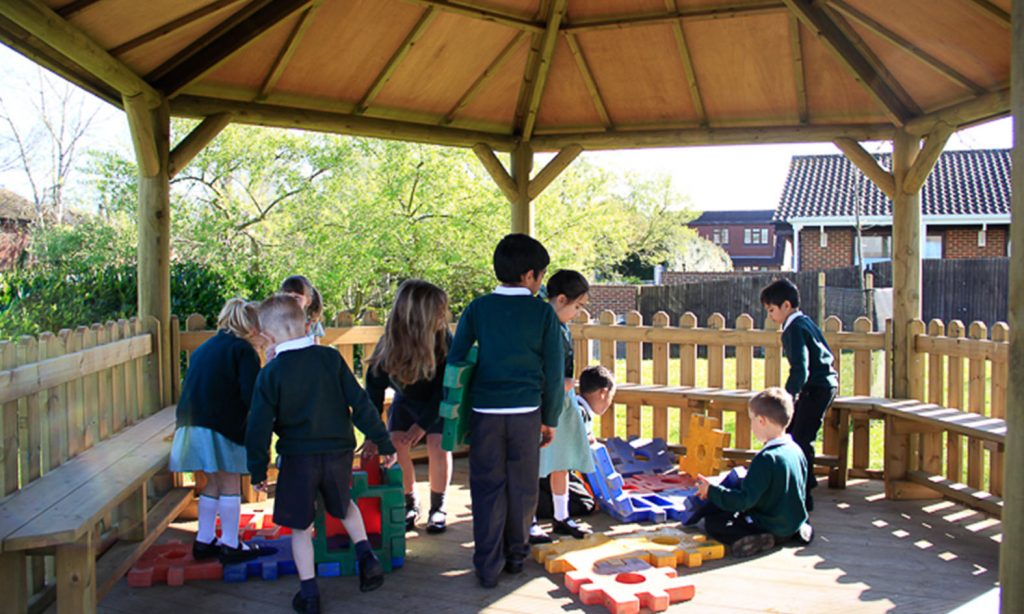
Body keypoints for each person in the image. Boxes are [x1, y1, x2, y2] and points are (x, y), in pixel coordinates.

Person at [245, 295, 397, 612]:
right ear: (307, 325)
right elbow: (361, 403)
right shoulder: (329, 359)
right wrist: (382, 442)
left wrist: (258, 471)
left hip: (298, 458)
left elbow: (257, 427)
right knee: (343, 504)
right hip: (338, 452)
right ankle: (368, 559)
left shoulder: (270, 374)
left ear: (268, 337)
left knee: (301, 527)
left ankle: (310, 593)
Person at [447, 233, 564, 588]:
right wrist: (551, 418)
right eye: (541, 276)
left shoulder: (478, 309)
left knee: (486, 486)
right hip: (528, 412)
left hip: (485, 411)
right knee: (523, 486)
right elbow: (555, 372)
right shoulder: (543, 313)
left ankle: (486, 563)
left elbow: (456, 361)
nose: (541, 283)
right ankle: (516, 554)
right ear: (529, 275)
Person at [169, 298, 273, 564]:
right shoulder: (243, 351)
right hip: (222, 427)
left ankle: (204, 540)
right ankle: (230, 543)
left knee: (212, 482)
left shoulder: (206, 348)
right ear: (251, 328)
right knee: (229, 482)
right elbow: (251, 396)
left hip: (191, 427)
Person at [365, 279, 453, 534]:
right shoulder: (389, 343)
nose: (442, 316)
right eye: (438, 311)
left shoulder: (442, 340)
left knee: (438, 444)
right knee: (394, 443)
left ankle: (438, 505)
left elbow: (443, 390)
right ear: (420, 315)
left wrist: (422, 425)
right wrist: (373, 433)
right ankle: (410, 501)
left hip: (437, 404)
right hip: (406, 402)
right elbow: (373, 391)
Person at [695, 387, 813, 557]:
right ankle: (797, 530)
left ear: (762, 421)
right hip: (792, 521)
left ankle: (756, 537)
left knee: (714, 522)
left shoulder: (766, 458)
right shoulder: (796, 450)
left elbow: (743, 501)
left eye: (751, 420)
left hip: (768, 523)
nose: (751, 426)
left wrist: (711, 491)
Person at [760, 278, 838, 511]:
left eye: (772, 310)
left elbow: (800, 368)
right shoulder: (806, 322)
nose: (770, 316)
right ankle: (801, 483)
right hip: (825, 384)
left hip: (815, 388)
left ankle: (804, 495)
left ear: (786, 305)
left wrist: (788, 397)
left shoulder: (793, 329)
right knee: (794, 435)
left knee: (801, 438)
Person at [534, 270, 594, 541]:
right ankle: (530, 519)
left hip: (563, 402)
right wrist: (560, 384)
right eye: (577, 305)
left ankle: (561, 516)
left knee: (562, 461)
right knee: (536, 462)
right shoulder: (542, 327)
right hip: (544, 401)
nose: (579, 312)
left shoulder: (562, 327)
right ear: (560, 299)